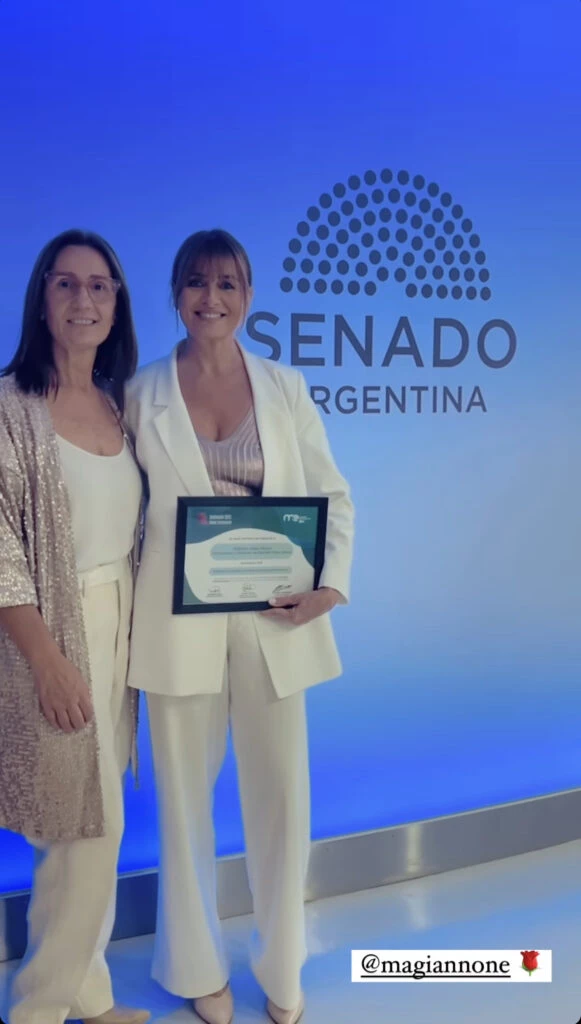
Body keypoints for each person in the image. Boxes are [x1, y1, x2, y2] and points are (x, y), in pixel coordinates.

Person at [126, 229, 354, 1024]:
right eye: (195, 282)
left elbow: (332, 498)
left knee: (281, 805)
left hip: (274, 622)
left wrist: (328, 588)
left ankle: (280, 967)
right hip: (177, 624)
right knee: (183, 808)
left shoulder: (285, 389)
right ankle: (196, 969)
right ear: (176, 294)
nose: (210, 297)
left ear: (248, 296)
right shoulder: (139, 392)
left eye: (226, 283)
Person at [0, 229, 150, 1024]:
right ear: (42, 299)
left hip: (120, 624)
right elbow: (0, 551)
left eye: (99, 286)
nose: (83, 300)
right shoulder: (10, 406)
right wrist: (49, 662)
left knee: (92, 824)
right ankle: (39, 1008)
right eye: (65, 285)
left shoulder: (122, 403)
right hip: (49, 633)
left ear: (117, 302)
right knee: (84, 827)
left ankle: (89, 993)